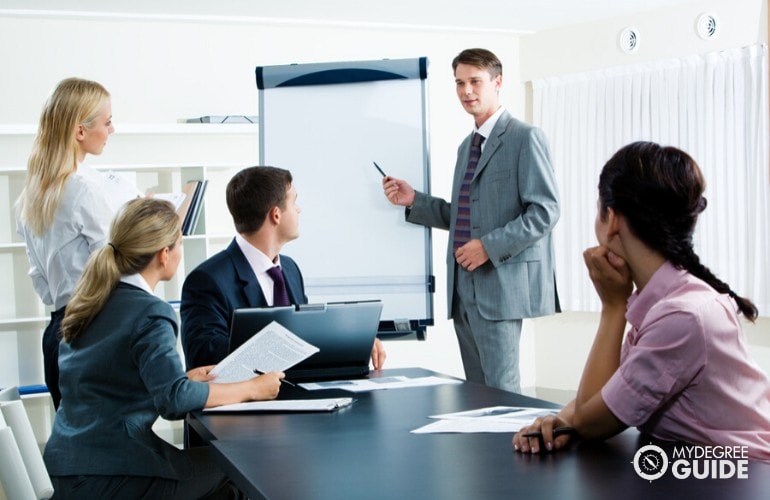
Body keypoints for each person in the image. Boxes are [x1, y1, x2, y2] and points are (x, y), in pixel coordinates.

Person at [513, 141, 770, 461]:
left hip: (742, 475)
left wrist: (612, 308)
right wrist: (561, 421)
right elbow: (608, 393)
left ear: (613, 219)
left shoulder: (682, 317)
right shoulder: (665, 301)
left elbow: (593, 424)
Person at [43, 198, 284, 499]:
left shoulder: (90, 301)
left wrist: (185, 379)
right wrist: (252, 388)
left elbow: (111, 379)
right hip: (113, 475)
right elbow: (174, 402)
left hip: (66, 469)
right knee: (241, 466)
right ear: (164, 254)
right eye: (180, 245)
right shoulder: (151, 312)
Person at [382, 48, 560, 393]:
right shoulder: (467, 146)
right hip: (462, 289)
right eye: (460, 83)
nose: (467, 91)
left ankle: (513, 449)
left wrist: (488, 248)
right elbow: (466, 216)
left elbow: (545, 212)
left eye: (475, 81)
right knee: (477, 393)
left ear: (498, 82)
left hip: (499, 286)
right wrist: (414, 200)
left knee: (503, 391)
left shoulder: (525, 138)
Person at [181, 166, 386, 370]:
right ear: (276, 215)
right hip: (249, 400)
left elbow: (304, 334)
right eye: (294, 201)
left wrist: (353, 343)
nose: (299, 209)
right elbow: (203, 356)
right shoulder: (207, 280)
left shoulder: (289, 269)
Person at [15, 77, 140, 409]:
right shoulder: (86, 189)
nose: (112, 129)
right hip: (95, 330)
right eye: (107, 121)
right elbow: (116, 269)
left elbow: (41, 285)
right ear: (80, 131)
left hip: (57, 332)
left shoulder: (30, 197)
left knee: (76, 448)